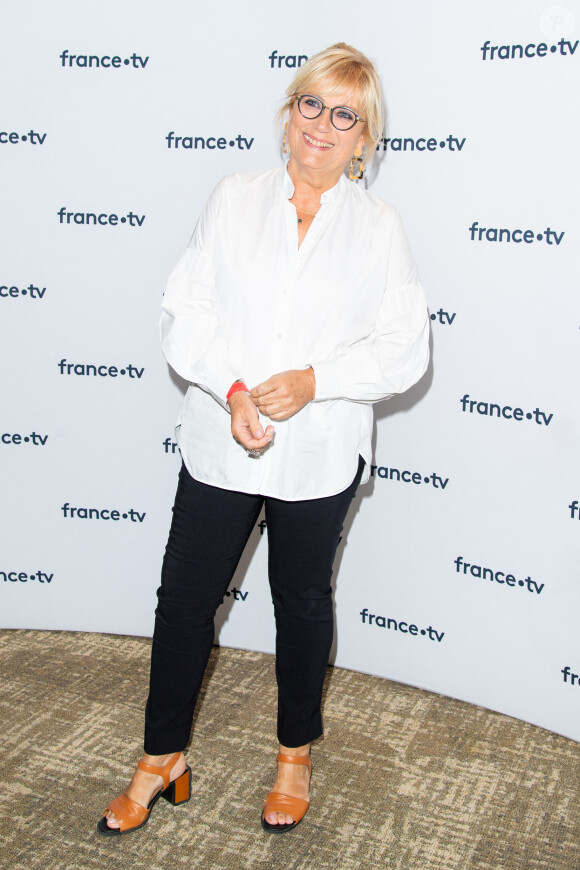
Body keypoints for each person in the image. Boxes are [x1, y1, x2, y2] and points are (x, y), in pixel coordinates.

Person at [97, 42, 429, 837]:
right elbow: (187, 312)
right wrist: (234, 388)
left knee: (302, 606)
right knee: (183, 605)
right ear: (289, 114)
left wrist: (316, 381)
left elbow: (404, 349)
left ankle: (293, 757)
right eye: (312, 104)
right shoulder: (232, 197)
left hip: (319, 454)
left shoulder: (380, 229)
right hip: (221, 438)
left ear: (363, 140)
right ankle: (161, 757)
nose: (323, 123)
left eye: (344, 114)